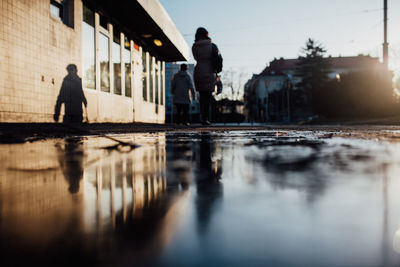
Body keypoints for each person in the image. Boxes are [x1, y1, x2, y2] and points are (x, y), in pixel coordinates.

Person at [192, 27, 222, 125]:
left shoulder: (194, 46)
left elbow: (195, 57)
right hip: (209, 70)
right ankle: (206, 118)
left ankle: (203, 117)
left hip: (199, 70)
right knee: (208, 96)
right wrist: (218, 70)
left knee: (202, 96)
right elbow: (218, 59)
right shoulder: (212, 46)